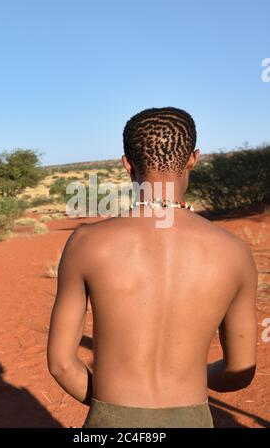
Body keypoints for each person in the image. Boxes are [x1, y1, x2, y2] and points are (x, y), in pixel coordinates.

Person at [47, 107, 257, 428]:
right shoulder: (234, 252)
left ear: (127, 164)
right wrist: (190, 375)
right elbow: (239, 370)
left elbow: (61, 364)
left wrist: (117, 409)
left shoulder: (86, 243)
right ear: (193, 159)